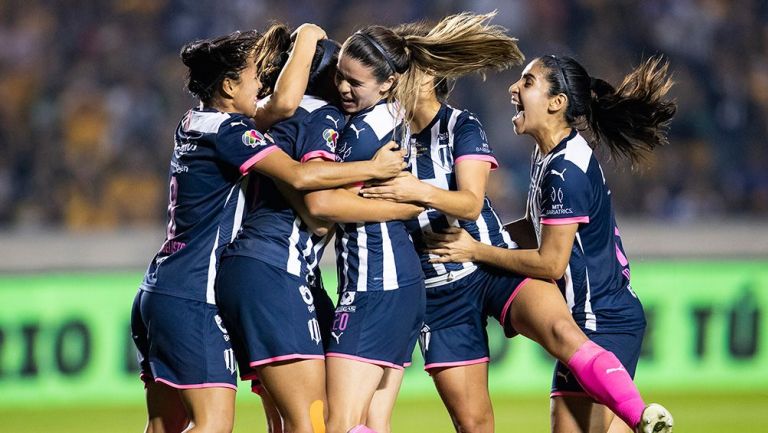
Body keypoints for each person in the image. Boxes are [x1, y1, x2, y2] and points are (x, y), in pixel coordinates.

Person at [130, 25, 405, 433]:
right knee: (232, 425)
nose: (263, 87)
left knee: (164, 425)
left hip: (162, 287)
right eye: (254, 78)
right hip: (198, 292)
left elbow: (278, 109)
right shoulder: (232, 131)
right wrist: (375, 171)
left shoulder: (195, 122)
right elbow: (301, 177)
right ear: (227, 85)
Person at [425, 55, 677, 433]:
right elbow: (532, 228)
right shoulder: (552, 154)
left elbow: (551, 263)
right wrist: (485, 235)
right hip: (593, 318)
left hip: (599, 320)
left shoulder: (564, 172)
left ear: (557, 103)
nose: (513, 88)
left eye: (527, 82)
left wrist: (475, 250)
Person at [302, 12, 526, 433]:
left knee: (338, 423)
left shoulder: (364, 132)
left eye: (355, 82)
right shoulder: (393, 123)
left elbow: (320, 206)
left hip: (375, 284)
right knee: (371, 420)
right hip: (400, 285)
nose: (343, 89)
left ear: (388, 83)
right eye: (340, 78)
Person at [211, 21, 417, 433]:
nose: (344, 88)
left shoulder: (272, 117)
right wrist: (400, 205)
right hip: (275, 269)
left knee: (286, 421)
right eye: (340, 75)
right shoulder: (318, 115)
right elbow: (318, 213)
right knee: (313, 422)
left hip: (253, 270)